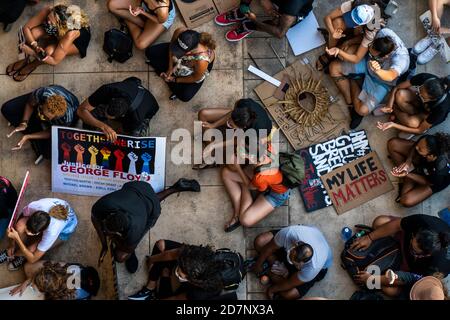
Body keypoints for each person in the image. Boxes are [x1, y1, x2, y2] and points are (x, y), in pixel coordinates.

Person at [91, 179, 201, 274]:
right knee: (148, 201)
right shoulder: (103, 205)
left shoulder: (135, 228)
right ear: (111, 213)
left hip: (147, 207)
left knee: (121, 257)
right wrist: (104, 244)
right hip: (139, 187)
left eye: (108, 231)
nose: (105, 231)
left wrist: (115, 239)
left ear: (121, 231)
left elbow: (127, 247)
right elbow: (95, 219)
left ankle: (176, 188)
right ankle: (177, 187)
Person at [329, 28, 410, 129]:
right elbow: (366, 39)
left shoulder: (401, 60)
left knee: (362, 110)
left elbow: (391, 76)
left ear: (385, 56)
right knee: (333, 67)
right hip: (366, 64)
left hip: (381, 82)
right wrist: (349, 42)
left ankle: (353, 80)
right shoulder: (384, 34)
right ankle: (350, 102)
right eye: (370, 50)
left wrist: (378, 71)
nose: (370, 53)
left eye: (373, 55)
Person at [5, 4, 90, 82]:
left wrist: (33, 52)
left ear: (61, 26)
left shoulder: (70, 35)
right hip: (58, 32)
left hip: (74, 43)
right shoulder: (50, 10)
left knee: (49, 52)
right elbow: (26, 28)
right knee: (33, 33)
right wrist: (34, 45)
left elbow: (54, 61)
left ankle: (31, 66)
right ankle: (23, 60)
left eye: (51, 22)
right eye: (48, 18)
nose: (47, 21)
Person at [350, 214, 450, 277]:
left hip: (409, 266)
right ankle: (390, 245)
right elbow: (398, 225)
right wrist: (369, 238)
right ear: (418, 232)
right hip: (403, 238)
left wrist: (376, 280)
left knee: (391, 290)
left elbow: (412, 280)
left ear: (426, 255)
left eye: (413, 250)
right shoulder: (424, 222)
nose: (410, 246)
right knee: (379, 222)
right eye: (413, 239)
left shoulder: (438, 267)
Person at [1, 85, 79, 164]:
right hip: (49, 94)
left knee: (48, 153)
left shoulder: (66, 118)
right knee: (7, 108)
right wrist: (24, 123)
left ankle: (33, 130)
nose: (40, 116)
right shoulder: (42, 93)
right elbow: (30, 104)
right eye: (41, 110)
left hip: (73, 111)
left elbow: (51, 132)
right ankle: (30, 126)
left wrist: (28, 136)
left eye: (46, 117)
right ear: (44, 102)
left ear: (55, 117)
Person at [251, 225, 333, 300]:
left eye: (294, 263)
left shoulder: (313, 268)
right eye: (290, 256)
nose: (289, 262)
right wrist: (258, 264)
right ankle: (275, 269)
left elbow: (290, 283)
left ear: (302, 264)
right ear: (296, 245)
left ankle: (271, 268)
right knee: (260, 242)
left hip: (317, 269)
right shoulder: (289, 233)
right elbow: (269, 248)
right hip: (301, 241)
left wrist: (272, 289)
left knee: (288, 294)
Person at [128, 240, 225, 300]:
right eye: (178, 269)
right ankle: (150, 287)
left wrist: (165, 278)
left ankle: (154, 293)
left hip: (191, 290)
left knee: (161, 295)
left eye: (180, 276)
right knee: (161, 245)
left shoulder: (198, 294)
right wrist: (151, 260)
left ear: (193, 281)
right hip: (197, 269)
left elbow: (175, 298)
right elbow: (169, 254)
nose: (176, 273)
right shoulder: (193, 255)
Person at [221, 150, 292, 232]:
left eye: (251, 157)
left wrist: (238, 167)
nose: (249, 157)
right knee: (226, 173)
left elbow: (251, 186)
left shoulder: (260, 176)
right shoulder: (267, 149)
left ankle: (243, 186)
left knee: (245, 220)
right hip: (268, 180)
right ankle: (236, 212)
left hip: (276, 195)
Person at [0, 198, 78, 271]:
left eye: (32, 233)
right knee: (19, 226)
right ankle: (12, 251)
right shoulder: (34, 207)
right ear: (31, 216)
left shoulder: (52, 232)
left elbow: (33, 259)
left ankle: (18, 255)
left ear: (40, 232)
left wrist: (17, 239)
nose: (27, 233)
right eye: (27, 228)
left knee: (31, 250)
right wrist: (12, 244)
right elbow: (22, 216)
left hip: (64, 231)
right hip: (56, 211)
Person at [195, 98, 274, 169]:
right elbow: (233, 110)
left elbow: (237, 140)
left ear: (243, 127)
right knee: (203, 113)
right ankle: (211, 151)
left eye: (231, 125)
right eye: (229, 120)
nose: (227, 123)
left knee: (231, 164)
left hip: (257, 136)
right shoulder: (244, 104)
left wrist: (213, 145)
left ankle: (213, 154)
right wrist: (213, 125)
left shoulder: (253, 134)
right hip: (242, 123)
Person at [77, 77, 159, 141]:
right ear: (112, 99)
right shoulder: (107, 89)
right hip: (130, 87)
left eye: (110, 118)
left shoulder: (136, 117)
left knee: (136, 139)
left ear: (123, 115)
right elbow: (80, 110)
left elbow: (122, 130)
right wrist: (103, 126)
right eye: (106, 113)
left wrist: (114, 131)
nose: (107, 117)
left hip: (147, 108)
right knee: (90, 115)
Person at [145, 28, 216, 102]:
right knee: (149, 52)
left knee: (185, 96)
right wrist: (170, 67)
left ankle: (164, 75)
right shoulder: (180, 31)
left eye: (180, 52)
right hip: (184, 59)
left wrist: (175, 80)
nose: (176, 55)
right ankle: (165, 74)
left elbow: (195, 78)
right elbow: (171, 47)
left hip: (194, 69)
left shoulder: (202, 61)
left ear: (189, 52)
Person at [318, 0, 385, 71]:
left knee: (347, 53)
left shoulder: (372, 29)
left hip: (362, 37)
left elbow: (357, 58)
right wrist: (332, 33)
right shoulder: (356, 3)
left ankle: (335, 50)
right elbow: (327, 17)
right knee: (337, 23)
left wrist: (340, 49)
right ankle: (330, 54)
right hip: (357, 29)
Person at [376, 74, 450, 138]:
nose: (419, 94)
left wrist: (393, 125)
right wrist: (389, 105)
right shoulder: (425, 77)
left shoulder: (441, 109)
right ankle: (393, 110)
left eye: (423, 97)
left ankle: (396, 110)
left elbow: (420, 130)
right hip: (423, 105)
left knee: (412, 123)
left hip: (429, 113)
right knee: (400, 94)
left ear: (434, 99)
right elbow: (397, 87)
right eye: (420, 90)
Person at [387, 133, 450, 207]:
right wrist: (408, 161)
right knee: (393, 144)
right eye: (418, 146)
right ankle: (407, 173)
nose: (417, 147)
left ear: (431, 155)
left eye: (420, 149)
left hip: (431, 181)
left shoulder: (440, 170)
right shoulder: (427, 140)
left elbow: (428, 182)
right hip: (422, 161)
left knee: (406, 201)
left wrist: (408, 174)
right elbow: (415, 146)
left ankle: (407, 176)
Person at [215, 0, 314, 41]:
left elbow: (280, 33)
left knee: (277, 22)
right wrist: (243, 5)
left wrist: (254, 20)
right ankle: (241, 13)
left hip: (292, 12)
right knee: (252, 4)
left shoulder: (294, 4)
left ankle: (249, 26)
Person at [9, 260, 100, 300]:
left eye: (34, 286)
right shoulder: (59, 269)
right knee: (28, 266)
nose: (32, 285)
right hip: (83, 274)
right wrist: (27, 281)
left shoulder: (63, 295)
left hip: (86, 289)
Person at [106, 0, 176, 50]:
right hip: (142, 3)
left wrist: (142, 12)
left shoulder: (163, 10)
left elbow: (159, 20)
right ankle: (143, 25)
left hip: (158, 18)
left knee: (140, 44)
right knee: (112, 5)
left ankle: (130, 21)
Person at [354, 269, 447, 300]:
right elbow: (408, 276)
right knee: (390, 281)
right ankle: (372, 280)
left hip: (404, 296)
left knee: (388, 289)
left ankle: (376, 284)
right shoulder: (424, 283)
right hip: (406, 289)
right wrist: (395, 276)